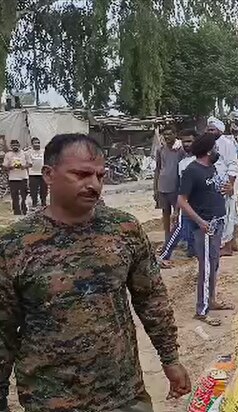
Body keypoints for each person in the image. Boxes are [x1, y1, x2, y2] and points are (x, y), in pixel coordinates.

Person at [0, 133, 190, 411]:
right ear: (49, 175)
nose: (93, 185)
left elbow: (151, 299)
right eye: (81, 174)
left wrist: (170, 358)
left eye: (100, 176)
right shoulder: (16, 244)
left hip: (124, 394)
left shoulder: (124, 230)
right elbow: (3, 330)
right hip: (51, 399)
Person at [178, 132, 234, 326]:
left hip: (216, 223)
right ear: (209, 150)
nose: (218, 151)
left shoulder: (211, 168)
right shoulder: (191, 171)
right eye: (215, 148)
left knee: (214, 264)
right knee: (206, 266)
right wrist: (200, 221)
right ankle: (201, 310)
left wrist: (229, 190)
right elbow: (181, 201)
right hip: (205, 226)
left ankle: (211, 300)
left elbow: (217, 190)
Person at [159, 129, 198, 267]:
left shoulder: (202, 159)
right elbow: (182, 188)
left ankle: (193, 250)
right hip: (187, 202)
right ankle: (165, 254)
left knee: (194, 227)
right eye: (185, 141)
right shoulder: (183, 163)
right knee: (179, 226)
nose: (187, 144)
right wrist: (177, 208)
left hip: (200, 203)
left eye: (190, 141)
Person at [207, 117, 238, 256]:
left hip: (225, 184)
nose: (209, 132)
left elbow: (233, 165)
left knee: (227, 214)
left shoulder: (227, 143)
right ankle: (232, 242)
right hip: (214, 183)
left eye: (212, 130)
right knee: (230, 213)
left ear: (219, 131)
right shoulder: (208, 144)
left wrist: (230, 184)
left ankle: (226, 247)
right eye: (208, 129)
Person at [154, 128, 186, 243]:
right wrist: (155, 189)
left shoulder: (180, 150)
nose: (167, 137)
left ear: (175, 134)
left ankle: (178, 238)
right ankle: (167, 239)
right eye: (165, 134)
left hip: (176, 187)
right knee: (165, 213)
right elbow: (157, 169)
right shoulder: (160, 149)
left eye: (169, 134)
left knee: (178, 214)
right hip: (162, 186)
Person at [3, 139, 31, 215]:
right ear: (11, 146)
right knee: (14, 196)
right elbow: (4, 166)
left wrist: (24, 166)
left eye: (16, 145)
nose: (15, 147)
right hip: (13, 178)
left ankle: (24, 210)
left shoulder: (24, 154)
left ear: (19, 145)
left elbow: (30, 164)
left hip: (23, 177)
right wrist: (10, 167)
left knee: (24, 195)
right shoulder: (8, 154)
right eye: (13, 145)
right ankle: (16, 212)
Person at [27, 137, 47, 208]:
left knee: (44, 189)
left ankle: (43, 202)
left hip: (43, 174)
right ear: (32, 144)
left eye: (38, 143)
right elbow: (28, 163)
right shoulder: (29, 152)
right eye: (35, 143)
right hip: (33, 174)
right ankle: (34, 203)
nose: (37, 144)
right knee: (33, 190)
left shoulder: (44, 151)